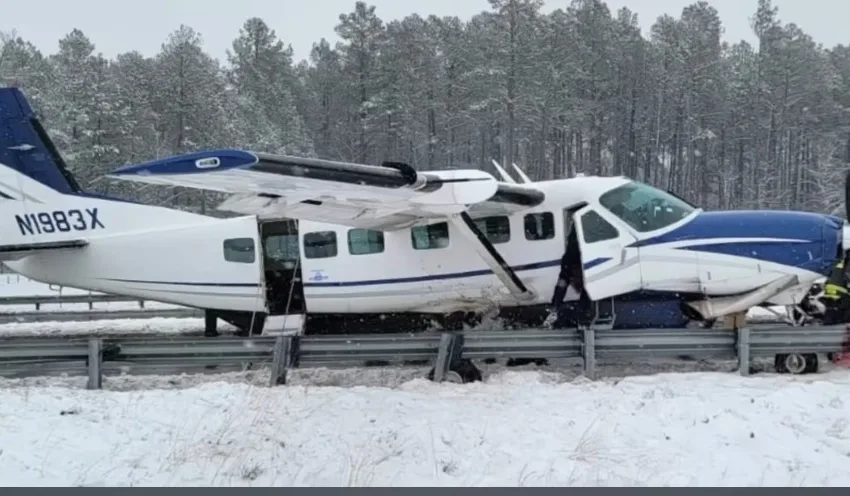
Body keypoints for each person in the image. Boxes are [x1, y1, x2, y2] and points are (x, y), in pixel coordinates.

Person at [821, 257, 850, 325]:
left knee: (831, 307)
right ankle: (845, 319)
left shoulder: (834, 263)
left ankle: (828, 320)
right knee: (845, 304)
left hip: (829, 291)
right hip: (839, 292)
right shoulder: (847, 267)